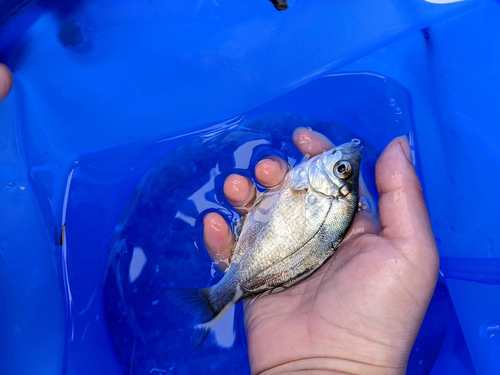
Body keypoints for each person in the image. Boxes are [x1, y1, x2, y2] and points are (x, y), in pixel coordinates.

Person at [0, 63, 438, 374]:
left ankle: (220, 296)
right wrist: (339, 363)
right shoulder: (324, 193)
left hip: (268, 259)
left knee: (250, 196)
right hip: (282, 266)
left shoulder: (322, 193)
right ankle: (223, 295)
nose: (344, 162)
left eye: (343, 169)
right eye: (345, 169)